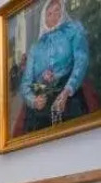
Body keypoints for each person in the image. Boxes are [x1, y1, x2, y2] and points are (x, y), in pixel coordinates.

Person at [19, 0, 89, 132]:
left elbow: (81, 60)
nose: (53, 16)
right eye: (49, 13)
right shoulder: (36, 47)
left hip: (69, 95)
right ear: (44, 18)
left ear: (63, 11)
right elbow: (26, 84)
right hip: (41, 102)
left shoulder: (73, 31)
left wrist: (67, 91)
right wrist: (34, 100)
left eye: (57, 10)